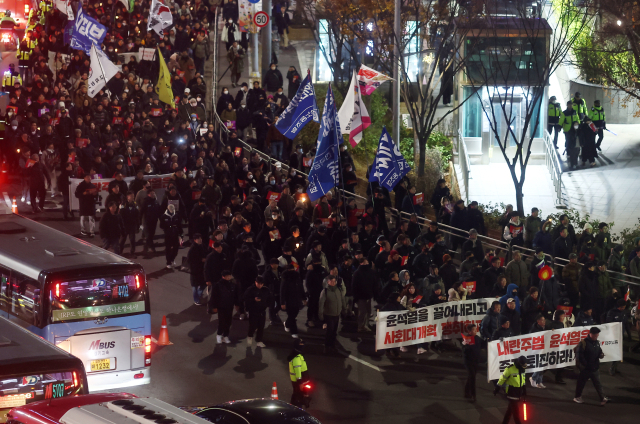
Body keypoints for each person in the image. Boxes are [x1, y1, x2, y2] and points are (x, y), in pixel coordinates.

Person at [574, 327, 609, 406]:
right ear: (591, 334)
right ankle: (577, 397)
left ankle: (602, 398)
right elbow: (579, 356)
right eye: (596, 335)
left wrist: (601, 354)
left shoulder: (596, 342)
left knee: (598, 384)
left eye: (597, 335)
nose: (597, 337)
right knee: (581, 383)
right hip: (586, 369)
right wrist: (586, 365)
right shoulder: (583, 343)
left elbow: (599, 351)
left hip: (594, 368)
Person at [208, 270, 239, 344]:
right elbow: (213, 297)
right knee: (222, 321)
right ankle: (219, 335)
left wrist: (236, 304)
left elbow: (235, 295)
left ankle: (226, 336)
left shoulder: (232, 284)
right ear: (223, 276)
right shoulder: (218, 285)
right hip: (221, 306)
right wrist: (214, 307)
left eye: (229, 276)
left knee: (228, 321)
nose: (229, 277)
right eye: (227, 276)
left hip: (229, 306)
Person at [495, 355, 528, 424]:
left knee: (510, 410)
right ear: (519, 363)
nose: (525, 366)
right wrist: (497, 388)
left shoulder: (522, 368)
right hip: (511, 392)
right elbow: (502, 378)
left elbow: (523, 378)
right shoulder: (509, 369)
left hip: (518, 391)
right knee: (516, 413)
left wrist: (524, 388)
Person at [318, 275, 346, 353]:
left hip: (337, 315)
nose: (333, 283)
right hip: (329, 315)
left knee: (334, 331)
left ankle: (332, 345)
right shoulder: (325, 291)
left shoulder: (339, 290)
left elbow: (342, 300)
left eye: (334, 281)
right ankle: (327, 346)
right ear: (328, 282)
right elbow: (321, 304)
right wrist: (321, 316)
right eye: (331, 281)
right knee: (330, 331)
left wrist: (344, 310)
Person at [244, 276, 272, 347]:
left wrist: (266, 304)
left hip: (262, 310)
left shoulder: (266, 290)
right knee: (252, 325)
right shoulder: (250, 289)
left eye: (261, 284)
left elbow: (269, 299)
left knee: (261, 326)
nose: (260, 285)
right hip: (253, 310)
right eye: (258, 283)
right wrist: (253, 299)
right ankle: (250, 336)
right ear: (255, 282)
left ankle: (259, 340)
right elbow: (245, 298)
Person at [281, 266, 307, 338]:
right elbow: (282, 292)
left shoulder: (297, 279)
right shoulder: (285, 280)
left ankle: (287, 324)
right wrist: (282, 302)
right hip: (289, 301)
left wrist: (304, 298)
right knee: (292, 316)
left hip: (297, 300)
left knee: (294, 314)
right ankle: (294, 331)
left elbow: (301, 288)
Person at [604, 298, 626, 375]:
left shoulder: (623, 313)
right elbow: (608, 323)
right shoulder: (611, 312)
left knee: (619, 352)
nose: (623, 308)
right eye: (622, 307)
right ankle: (611, 368)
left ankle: (615, 367)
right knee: (613, 352)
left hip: (620, 335)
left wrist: (628, 334)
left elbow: (625, 323)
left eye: (624, 307)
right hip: (613, 335)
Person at [462, 323, 482, 402]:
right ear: (469, 331)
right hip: (469, 362)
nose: (475, 331)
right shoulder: (466, 339)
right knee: (473, 377)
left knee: (471, 377)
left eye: (475, 329)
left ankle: (467, 392)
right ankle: (473, 395)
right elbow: (464, 351)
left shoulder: (477, 338)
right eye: (473, 330)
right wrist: (465, 345)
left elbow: (484, 344)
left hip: (476, 361)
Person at [559, 100, 581, 169]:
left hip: (574, 129)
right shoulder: (564, 113)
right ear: (567, 105)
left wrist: (578, 124)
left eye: (571, 104)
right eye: (569, 104)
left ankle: (570, 154)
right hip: (567, 130)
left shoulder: (574, 112)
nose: (570, 106)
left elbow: (577, 119)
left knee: (573, 142)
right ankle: (568, 153)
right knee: (568, 141)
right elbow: (561, 120)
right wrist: (559, 126)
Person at [288, 338, 310, 408]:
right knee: (298, 396)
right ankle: (296, 409)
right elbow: (297, 371)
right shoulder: (296, 358)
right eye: (301, 343)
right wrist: (300, 382)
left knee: (297, 394)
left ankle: (293, 407)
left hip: (302, 380)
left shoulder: (298, 355)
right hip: (299, 381)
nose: (303, 345)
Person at [160, 204, 183, 269]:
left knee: (176, 248)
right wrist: (168, 227)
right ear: (168, 209)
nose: (172, 209)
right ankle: (168, 262)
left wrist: (181, 233)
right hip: (168, 235)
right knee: (168, 249)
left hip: (175, 234)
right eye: (171, 208)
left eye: (173, 208)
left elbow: (179, 225)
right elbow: (161, 226)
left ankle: (172, 259)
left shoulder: (176, 215)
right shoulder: (164, 216)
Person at [187, 233, 207, 305]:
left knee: (204, 283)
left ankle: (199, 294)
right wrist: (200, 260)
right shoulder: (192, 249)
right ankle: (196, 299)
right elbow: (190, 260)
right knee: (194, 286)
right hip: (195, 271)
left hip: (202, 269)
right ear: (195, 240)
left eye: (201, 238)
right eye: (198, 239)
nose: (200, 240)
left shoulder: (203, 246)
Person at [119, 191, 139, 257]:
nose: (133, 197)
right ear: (128, 197)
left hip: (132, 225)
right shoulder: (123, 204)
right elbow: (121, 214)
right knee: (123, 239)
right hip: (125, 225)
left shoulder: (135, 204)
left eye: (133, 196)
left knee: (132, 239)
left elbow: (138, 214)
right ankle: (120, 251)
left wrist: (137, 224)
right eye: (131, 196)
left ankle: (132, 252)